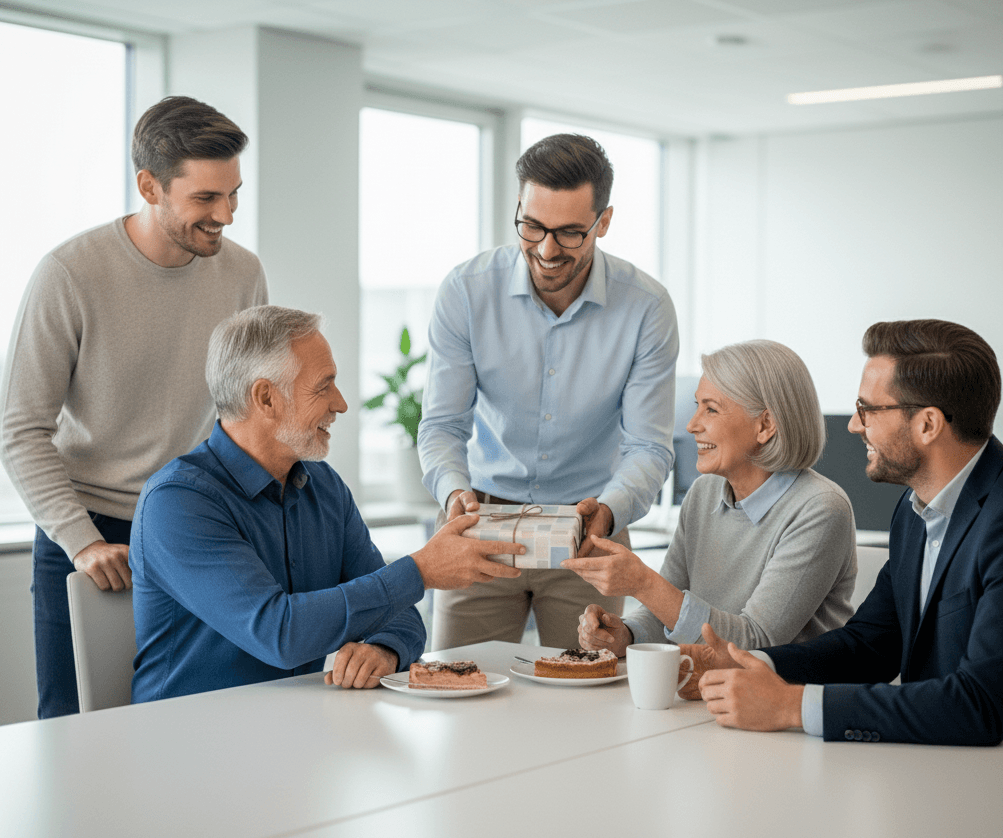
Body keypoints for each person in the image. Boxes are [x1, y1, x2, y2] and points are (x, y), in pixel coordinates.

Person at [0, 95, 268, 718]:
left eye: (233, 194)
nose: (225, 214)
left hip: (192, 521)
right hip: (90, 529)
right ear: (150, 186)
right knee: (73, 722)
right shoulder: (69, 273)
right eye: (206, 198)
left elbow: (241, 414)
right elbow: (20, 429)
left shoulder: (244, 275)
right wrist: (80, 541)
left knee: (197, 712)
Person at [130, 306, 525, 702]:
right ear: (266, 398)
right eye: (323, 387)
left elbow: (400, 611)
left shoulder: (324, 487)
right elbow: (279, 633)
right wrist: (420, 571)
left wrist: (384, 649)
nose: (341, 404)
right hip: (185, 739)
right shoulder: (178, 503)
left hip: (293, 725)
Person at [417, 133, 679, 650]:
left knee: (590, 705)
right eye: (531, 226)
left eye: (569, 233)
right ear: (518, 205)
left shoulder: (646, 307)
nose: (546, 250)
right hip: (483, 529)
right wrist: (452, 493)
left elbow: (649, 446)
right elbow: (443, 426)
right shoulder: (467, 291)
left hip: (589, 533)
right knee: (457, 692)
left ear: (603, 222)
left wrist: (608, 511)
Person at [697, 320, 1003, 746]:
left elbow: (981, 705)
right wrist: (752, 663)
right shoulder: (915, 510)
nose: (854, 426)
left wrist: (792, 706)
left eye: (868, 410)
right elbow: (871, 645)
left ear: (928, 424)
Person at [569, 340, 856, 669]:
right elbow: (671, 612)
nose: (691, 425)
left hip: (785, 706)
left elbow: (756, 644)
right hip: (708, 696)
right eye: (696, 406)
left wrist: (643, 583)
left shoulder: (820, 508)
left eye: (711, 409)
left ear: (765, 425)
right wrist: (627, 634)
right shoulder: (704, 493)